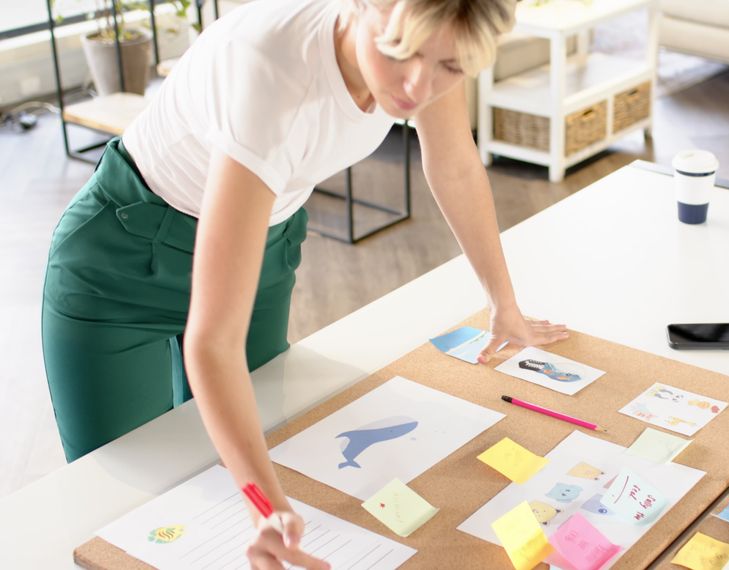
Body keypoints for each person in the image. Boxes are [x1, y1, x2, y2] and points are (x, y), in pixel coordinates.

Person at [41, 0, 568, 566]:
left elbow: (455, 165)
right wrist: (263, 505)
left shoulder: (433, 48)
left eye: (451, 66)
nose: (419, 85)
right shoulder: (272, 71)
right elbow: (211, 342)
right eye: (401, 52)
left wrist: (502, 304)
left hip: (259, 251)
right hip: (120, 266)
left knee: (255, 458)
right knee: (121, 509)